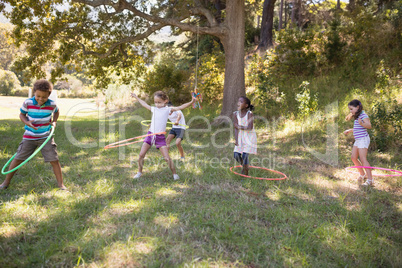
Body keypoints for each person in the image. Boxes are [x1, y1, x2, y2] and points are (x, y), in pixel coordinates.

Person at [0, 79, 67, 190]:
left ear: (49, 95)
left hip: (46, 137)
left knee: (54, 160)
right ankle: (5, 183)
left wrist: (54, 121)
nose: (41, 99)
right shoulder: (28, 103)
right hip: (29, 137)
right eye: (38, 96)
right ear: (34, 92)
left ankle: (61, 185)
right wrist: (26, 122)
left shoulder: (52, 104)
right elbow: (22, 114)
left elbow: (57, 112)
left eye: (44, 97)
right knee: (18, 158)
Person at [131, 91, 195, 180]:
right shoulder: (154, 109)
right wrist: (136, 97)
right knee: (141, 154)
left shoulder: (168, 109)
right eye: (155, 102)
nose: (157, 104)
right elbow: (144, 104)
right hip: (150, 134)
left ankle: (175, 174)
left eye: (159, 102)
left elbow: (181, 107)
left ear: (165, 101)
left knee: (167, 158)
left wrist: (191, 102)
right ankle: (139, 172)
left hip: (160, 137)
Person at [344, 99, 373, 186]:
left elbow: (369, 126)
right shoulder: (357, 115)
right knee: (353, 157)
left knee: (363, 159)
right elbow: (358, 128)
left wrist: (362, 123)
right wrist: (350, 130)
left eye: (351, 109)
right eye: (350, 109)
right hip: (358, 139)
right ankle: (362, 174)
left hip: (363, 139)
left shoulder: (363, 115)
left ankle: (370, 180)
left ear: (357, 107)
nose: (350, 111)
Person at [232, 96, 257, 175]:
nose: (238, 103)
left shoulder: (249, 114)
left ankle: (245, 172)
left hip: (249, 137)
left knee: (245, 155)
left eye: (241, 102)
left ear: (246, 105)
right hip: (240, 137)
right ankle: (245, 166)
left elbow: (250, 127)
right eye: (238, 101)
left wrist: (239, 126)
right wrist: (236, 140)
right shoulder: (235, 114)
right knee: (236, 155)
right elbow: (235, 128)